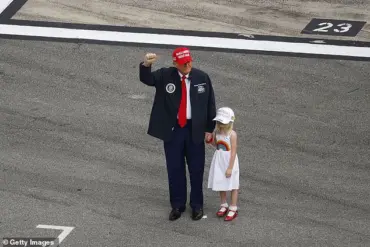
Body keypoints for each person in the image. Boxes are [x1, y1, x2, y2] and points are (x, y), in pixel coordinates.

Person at [139, 47, 216, 221]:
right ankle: (177, 205)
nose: (188, 64)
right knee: (175, 169)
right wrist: (145, 65)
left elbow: (210, 104)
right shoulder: (166, 75)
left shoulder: (201, 78)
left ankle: (197, 205)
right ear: (175, 64)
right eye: (183, 63)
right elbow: (147, 79)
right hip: (173, 130)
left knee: (196, 170)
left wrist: (209, 129)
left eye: (189, 61)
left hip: (194, 130)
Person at [207, 107, 239, 221]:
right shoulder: (217, 133)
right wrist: (210, 140)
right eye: (219, 122)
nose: (220, 125)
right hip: (219, 160)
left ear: (230, 122)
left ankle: (233, 208)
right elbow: (217, 145)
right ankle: (223, 204)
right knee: (221, 182)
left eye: (223, 123)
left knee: (233, 185)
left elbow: (233, 151)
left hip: (229, 161)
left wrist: (230, 167)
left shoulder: (232, 134)